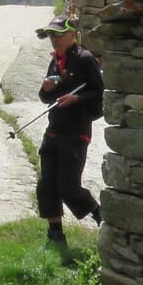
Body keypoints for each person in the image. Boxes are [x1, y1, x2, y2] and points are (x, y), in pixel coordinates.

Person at [35, 15, 103, 244]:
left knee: (68, 186)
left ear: (71, 35)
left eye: (58, 35)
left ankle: (101, 217)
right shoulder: (55, 61)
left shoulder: (85, 59)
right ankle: (55, 234)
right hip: (54, 129)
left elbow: (99, 93)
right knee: (47, 184)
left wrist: (76, 99)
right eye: (51, 36)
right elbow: (47, 98)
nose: (53, 40)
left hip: (76, 132)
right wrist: (46, 89)